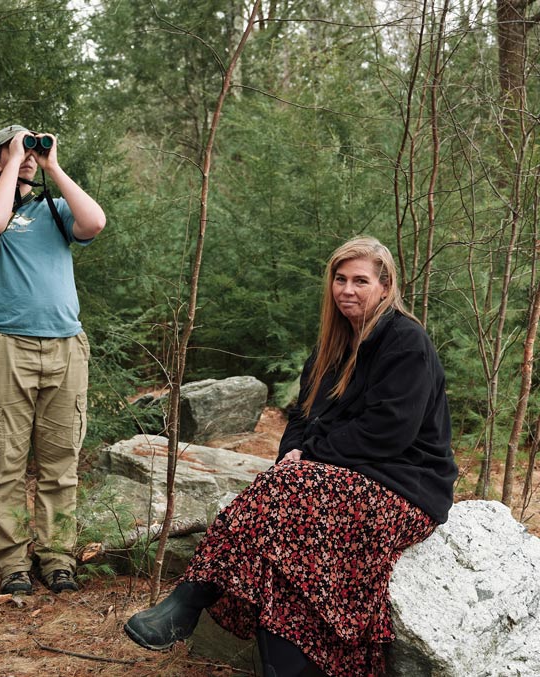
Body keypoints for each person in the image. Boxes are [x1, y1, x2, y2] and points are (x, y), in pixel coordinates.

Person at [123, 237, 458, 676]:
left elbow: (387, 432)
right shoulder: (331, 346)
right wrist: (293, 455)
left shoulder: (405, 341)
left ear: (385, 284)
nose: (348, 290)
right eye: (340, 279)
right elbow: (301, 419)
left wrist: (307, 458)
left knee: (285, 495)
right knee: (283, 556)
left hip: (406, 488)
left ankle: (193, 595)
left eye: (360, 280)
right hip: (346, 477)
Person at [0, 124, 106, 596]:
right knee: (4, 463)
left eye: (33, 147)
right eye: (16, 148)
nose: (29, 155)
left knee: (61, 463)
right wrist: (14, 164)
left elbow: (95, 223)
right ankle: (11, 563)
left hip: (66, 347)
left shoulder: (56, 209)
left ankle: (57, 557)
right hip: (4, 347)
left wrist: (51, 165)